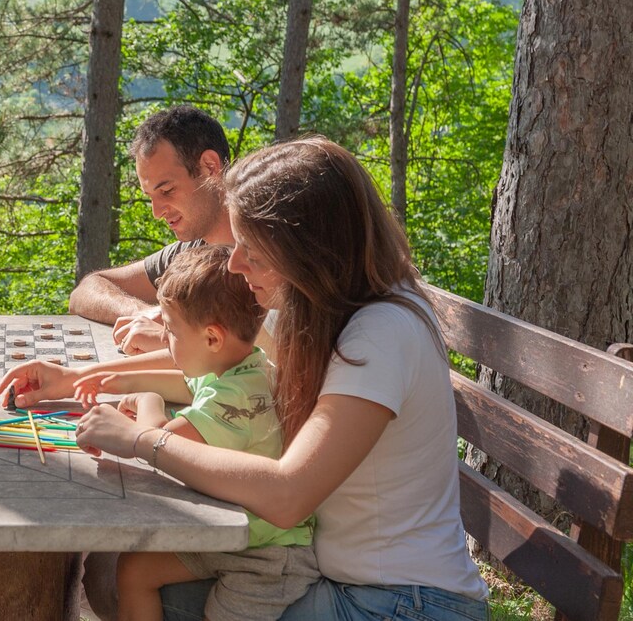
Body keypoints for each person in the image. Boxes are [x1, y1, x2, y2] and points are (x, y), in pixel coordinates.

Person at [72, 135, 489, 620]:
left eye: (254, 250)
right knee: (116, 566)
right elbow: (218, 374)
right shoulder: (323, 308)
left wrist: (144, 440)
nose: (235, 263)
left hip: (400, 604)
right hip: (342, 578)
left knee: (125, 581)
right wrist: (88, 379)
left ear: (309, 250)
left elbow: (288, 495)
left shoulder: (380, 333)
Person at [71, 244, 317, 621]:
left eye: (170, 330)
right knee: (135, 570)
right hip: (239, 533)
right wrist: (109, 382)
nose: (164, 340)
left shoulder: (234, 395)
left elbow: (160, 441)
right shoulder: (247, 366)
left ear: (213, 339)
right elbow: (186, 386)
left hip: (267, 556)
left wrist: (147, 400)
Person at [69, 105, 233, 355]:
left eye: (167, 191)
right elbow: (87, 290)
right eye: (150, 197)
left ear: (210, 167)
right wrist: (143, 312)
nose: (157, 212)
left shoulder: (279, 248)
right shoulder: (188, 252)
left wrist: (171, 337)